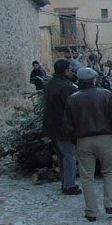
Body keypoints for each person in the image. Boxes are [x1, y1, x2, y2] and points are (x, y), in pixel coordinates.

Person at [63, 67, 112, 222]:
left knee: (86, 176)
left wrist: (75, 139)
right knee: (109, 172)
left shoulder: (72, 99)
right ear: (94, 80)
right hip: (105, 137)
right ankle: (109, 204)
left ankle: (91, 211)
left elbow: (68, 124)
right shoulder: (106, 94)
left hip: (83, 139)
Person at [42, 58, 81, 195]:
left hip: (51, 126)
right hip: (63, 127)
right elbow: (71, 107)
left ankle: (65, 182)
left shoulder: (50, 84)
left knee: (61, 156)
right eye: (69, 69)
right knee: (69, 156)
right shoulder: (65, 88)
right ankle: (69, 185)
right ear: (65, 70)